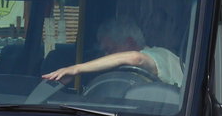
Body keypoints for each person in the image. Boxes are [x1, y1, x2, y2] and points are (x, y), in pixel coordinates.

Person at [42, 17, 184, 86]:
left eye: (110, 50)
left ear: (129, 42)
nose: (106, 56)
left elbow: (136, 59)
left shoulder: (158, 55)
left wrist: (76, 68)